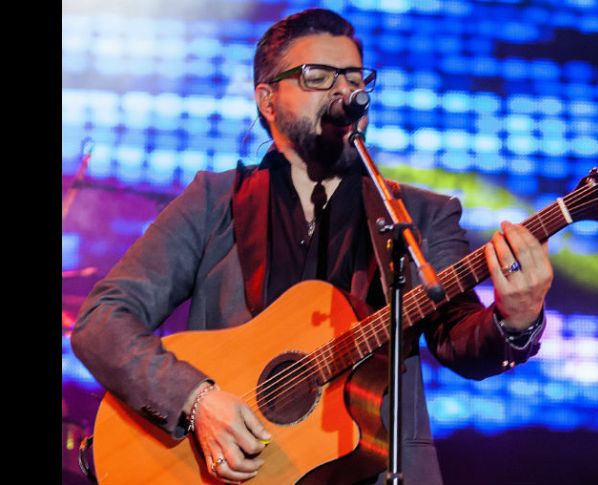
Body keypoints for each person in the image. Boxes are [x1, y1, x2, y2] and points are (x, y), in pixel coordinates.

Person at [72, 8, 553, 484]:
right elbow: (103, 319)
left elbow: (460, 341)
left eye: (353, 79)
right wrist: (197, 400)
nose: (345, 92)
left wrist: (517, 318)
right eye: (318, 77)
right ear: (267, 99)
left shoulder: (417, 214)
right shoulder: (213, 201)